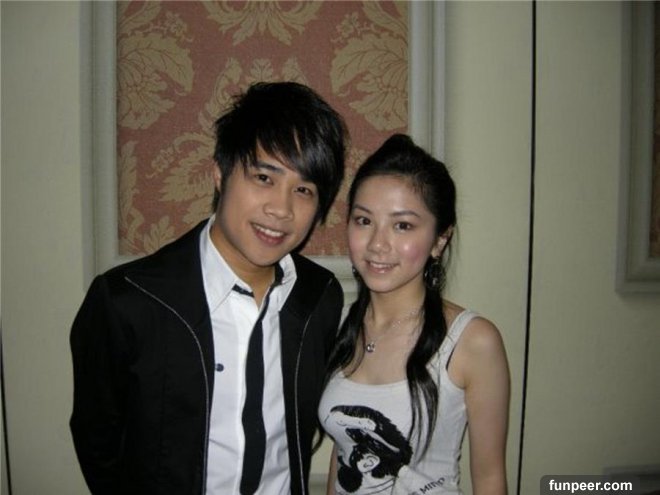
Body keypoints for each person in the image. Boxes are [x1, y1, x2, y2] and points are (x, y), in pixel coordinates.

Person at [70, 81, 348, 495]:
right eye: (263, 177)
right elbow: (98, 442)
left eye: (304, 190)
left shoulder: (319, 296)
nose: (281, 209)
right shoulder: (128, 301)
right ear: (220, 173)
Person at [319, 134, 510, 495]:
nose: (377, 243)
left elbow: (490, 479)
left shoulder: (471, 341)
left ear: (440, 240)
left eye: (402, 225)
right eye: (363, 220)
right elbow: (343, 452)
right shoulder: (339, 325)